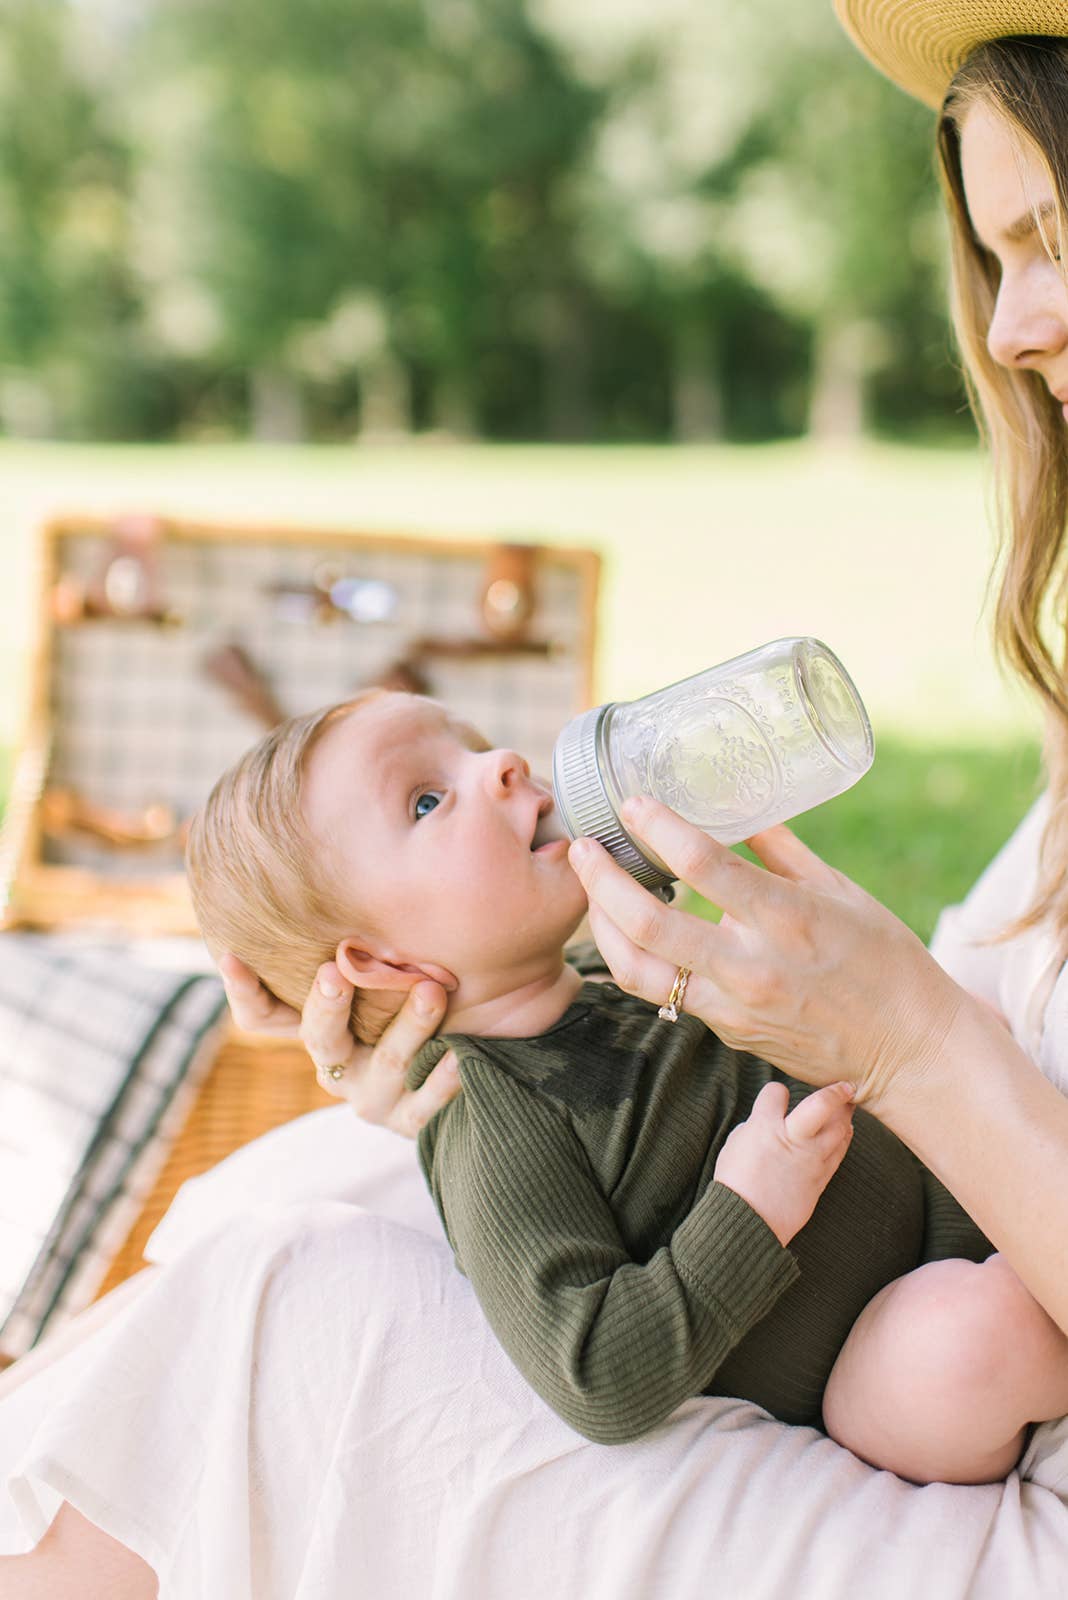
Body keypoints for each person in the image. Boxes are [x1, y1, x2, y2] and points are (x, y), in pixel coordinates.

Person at [5, 3, 1068, 1595]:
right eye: (1002, 256)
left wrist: (905, 1039)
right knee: (296, 1200)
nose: (1007, 328)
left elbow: (637, 1316)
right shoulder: (548, 1035)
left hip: (967, 1325)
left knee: (270, 1298)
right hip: (930, 1269)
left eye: (1055, 236)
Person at [185, 684, 1068, 1486]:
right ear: (377, 960)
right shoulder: (494, 1120)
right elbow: (597, 1375)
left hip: (970, 1201)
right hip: (881, 1353)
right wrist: (749, 1208)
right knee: (977, 1336)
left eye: (475, 745)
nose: (502, 765)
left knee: (992, 1047)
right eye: (427, 800)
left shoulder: (602, 967)